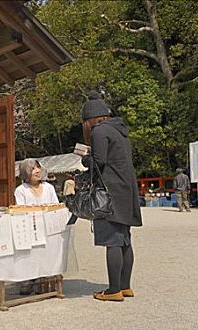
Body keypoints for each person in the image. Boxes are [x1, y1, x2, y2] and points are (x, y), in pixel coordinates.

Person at [81, 90, 142, 302]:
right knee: (124, 240)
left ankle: (113, 290)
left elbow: (99, 162)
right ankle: (125, 286)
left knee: (112, 241)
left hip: (110, 192)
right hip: (126, 191)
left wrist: (84, 159)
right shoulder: (119, 131)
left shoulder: (99, 131)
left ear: (90, 119)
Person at [14, 159, 59, 295]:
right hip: (30, 228)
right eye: (33, 169)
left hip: (47, 227)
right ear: (26, 172)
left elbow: (55, 206)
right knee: (29, 255)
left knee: (47, 254)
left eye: (38, 168)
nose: (37, 171)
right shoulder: (21, 190)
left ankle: (44, 280)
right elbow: (21, 210)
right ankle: (28, 281)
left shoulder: (49, 188)